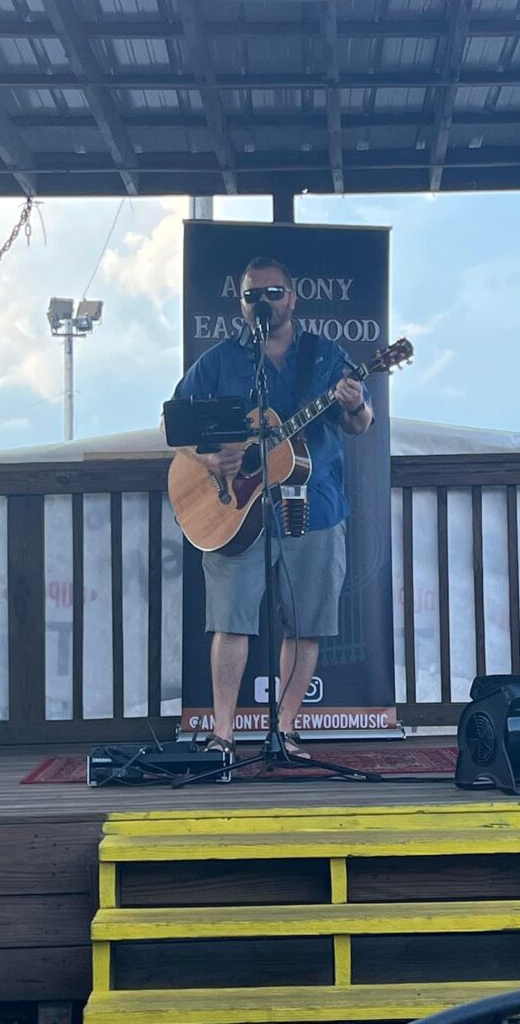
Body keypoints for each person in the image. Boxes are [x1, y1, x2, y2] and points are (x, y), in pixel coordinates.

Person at [170, 256, 373, 758]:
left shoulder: (325, 355)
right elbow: (173, 425)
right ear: (242, 303)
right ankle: (221, 735)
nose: (263, 302)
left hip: (315, 505)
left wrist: (352, 404)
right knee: (230, 620)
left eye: (273, 293)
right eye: (252, 295)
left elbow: (360, 424)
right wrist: (210, 456)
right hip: (234, 509)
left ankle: (284, 731)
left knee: (305, 625)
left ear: (293, 297)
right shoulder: (219, 361)